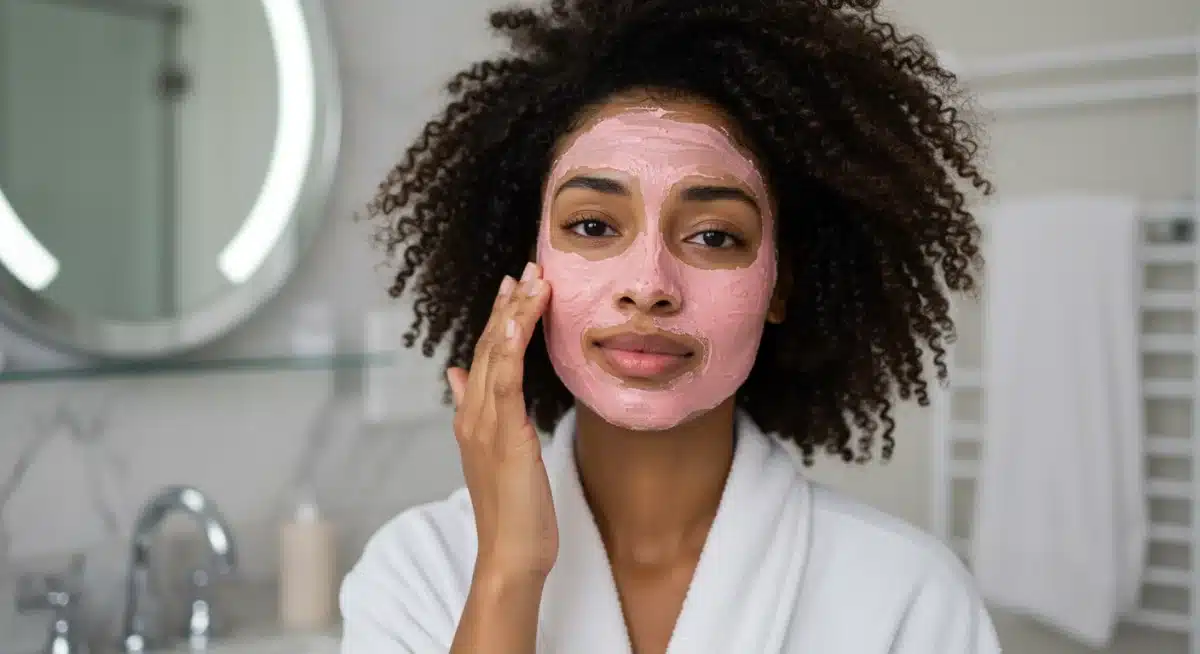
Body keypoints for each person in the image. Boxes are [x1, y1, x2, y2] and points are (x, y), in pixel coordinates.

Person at [340, 0, 1000, 652]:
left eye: (714, 236)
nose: (650, 285)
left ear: (781, 283)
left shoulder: (907, 597)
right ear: (528, 263)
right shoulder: (417, 575)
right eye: (593, 226)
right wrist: (508, 574)